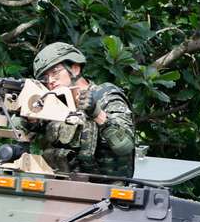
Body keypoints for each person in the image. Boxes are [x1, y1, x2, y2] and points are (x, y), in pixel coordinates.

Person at [30, 42, 137, 178]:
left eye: (55, 72)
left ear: (75, 69)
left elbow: (125, 146)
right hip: (62, 187)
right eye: (45, 78)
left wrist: (96, 113)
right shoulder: (53, 105)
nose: (50, 80)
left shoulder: (105, 95)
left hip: (106, 190)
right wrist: (28, 116)